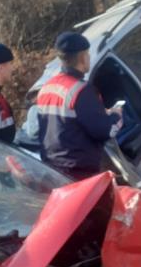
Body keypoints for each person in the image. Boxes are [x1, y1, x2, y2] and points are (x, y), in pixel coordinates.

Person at [36, 31, 122, 181]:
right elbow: (104, 131)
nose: (89, 57)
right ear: (82, 57)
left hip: (50, 170)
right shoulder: (82, 90)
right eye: (88, 54)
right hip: (78, 175)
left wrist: (100, 114)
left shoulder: (46, 88)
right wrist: (116, 115)